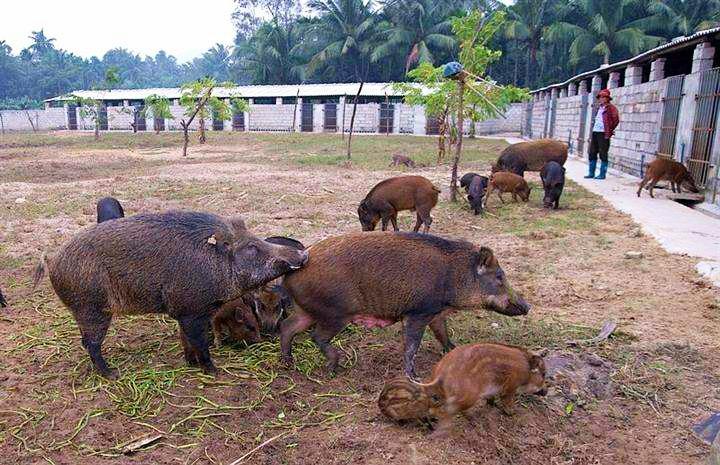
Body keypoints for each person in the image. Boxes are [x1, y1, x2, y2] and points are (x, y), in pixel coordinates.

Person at [585, 88, 619, 180]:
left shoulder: (611, 108)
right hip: (595, 131)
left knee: (603, 153)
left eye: (604, 97)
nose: (602, 99)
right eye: (600, 97)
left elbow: (616, 120)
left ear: (608, 98)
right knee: (592, 152)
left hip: (604, 133)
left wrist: (610, 129)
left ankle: (602, 174)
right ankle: (591, 173)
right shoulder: (599, 107)